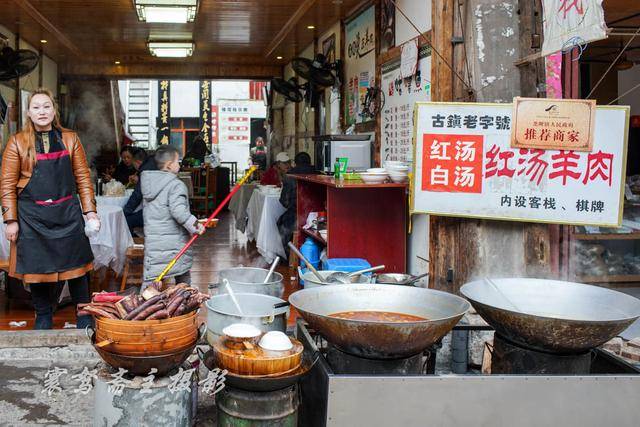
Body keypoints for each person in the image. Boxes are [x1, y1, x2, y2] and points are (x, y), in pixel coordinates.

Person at [0, 88, 99, 330]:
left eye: (46, 106)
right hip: (32, 217)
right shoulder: (17, 142)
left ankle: (84, 317)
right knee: (37, 269)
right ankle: (43, 316)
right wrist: (10, 219)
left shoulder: (70, 139)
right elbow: (7, 184)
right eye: (36, 107)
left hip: (68, 213)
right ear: (29, 112)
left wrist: (90, 212)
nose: (42, 111)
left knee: (77, 268)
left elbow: (83, 178)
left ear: (54, 111)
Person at [140, 145, 204, 287]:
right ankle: (186, 304)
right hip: (174, 243)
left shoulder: (150, 184)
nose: (179, 165)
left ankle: (142, 305)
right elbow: (179, 212)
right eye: (177, 162)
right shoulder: (176, 185)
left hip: (155, 242)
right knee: (183, 276)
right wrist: (196, 225)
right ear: (169, 165)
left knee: (152, 280)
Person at [277, 152, 317, 257]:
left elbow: (284, 202)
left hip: (297, 214)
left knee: (280, 223)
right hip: (317, 215)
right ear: (310, 162)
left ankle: (288, 257)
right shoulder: (318, 171)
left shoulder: (289, 175)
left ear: (295, 163)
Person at [123, 147, 156, 233]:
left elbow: (137, 195)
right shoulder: (152, 163)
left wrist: (125, 212)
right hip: (158, 207)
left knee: (126, 220)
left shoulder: (145, 171)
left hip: (154, 211)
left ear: (137, 162)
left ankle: (130, 244)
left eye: (133, 164)